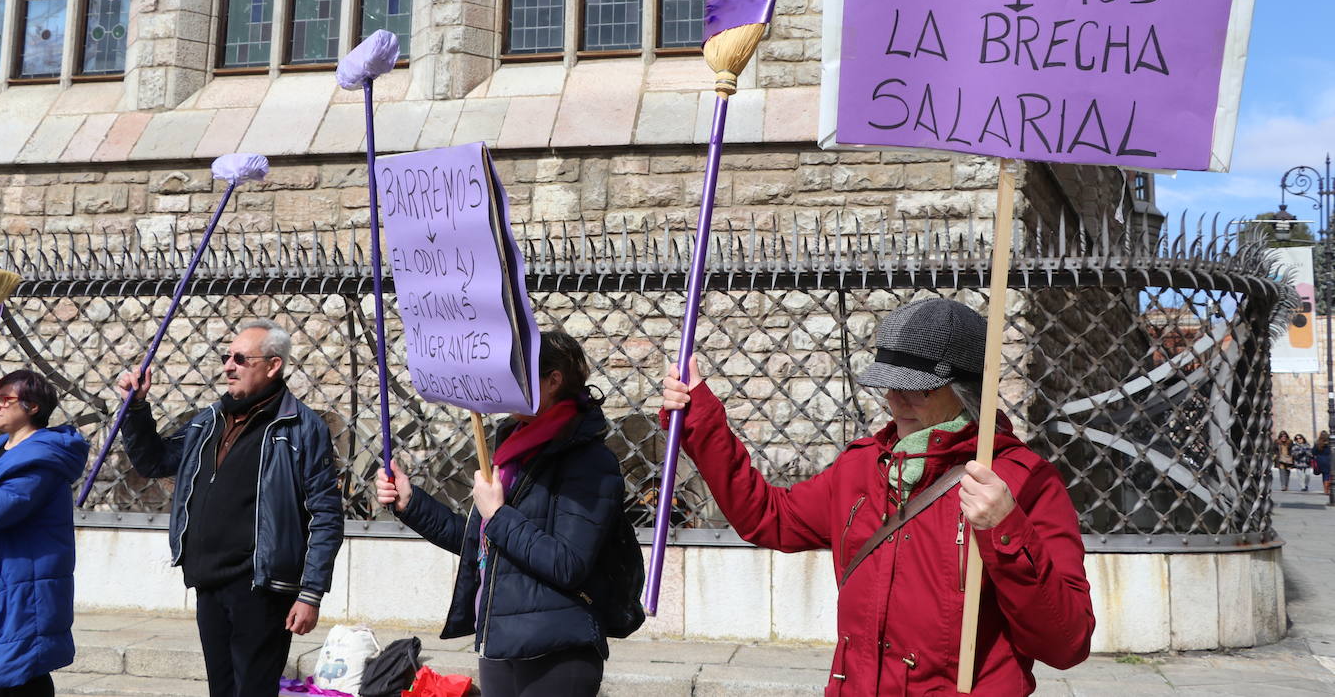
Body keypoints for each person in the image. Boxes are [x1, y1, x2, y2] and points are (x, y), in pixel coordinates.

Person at [661, 297, 1094, 695]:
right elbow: (766, 516)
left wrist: (1006, 530)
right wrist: (700, 417)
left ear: (964, 390)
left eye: (916, 387)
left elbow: (1066, 643)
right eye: (888, 383)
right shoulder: (861, 467)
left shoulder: (1021, 483)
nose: (894, 398)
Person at [376, 330, 625, 697]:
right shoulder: (513, 450)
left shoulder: (588, 460)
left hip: (555, 653)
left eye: (514, 372)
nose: (500, 382)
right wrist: (411, 504)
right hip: (499, 644)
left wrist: (498, 514)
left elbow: (568, 563)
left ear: (553, 381)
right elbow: (481, 544)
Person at [118, 318, 343, 697]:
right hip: (209, 581)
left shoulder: (301, 428)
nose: (228, 366)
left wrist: (310, 593)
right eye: (227, 356)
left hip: (262, 585)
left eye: (240, 358)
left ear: (273, 365)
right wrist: (137, 407)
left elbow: (326, 516)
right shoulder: (210, 421)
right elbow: (153, 462)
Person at [0, 370, 89, 697]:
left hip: (19, 586)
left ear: (32, 407)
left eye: (5, 399)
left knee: (15, 673)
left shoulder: (42, 457)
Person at [1314, 432, 1331, 500]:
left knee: (1324, 475)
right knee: (1329, 474)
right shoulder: (1330, 443)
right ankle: (1328, 489)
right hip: (1329, 460)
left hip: (1320, 461)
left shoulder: (1318, 443)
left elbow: (1313, 452)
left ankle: (1325, 490)